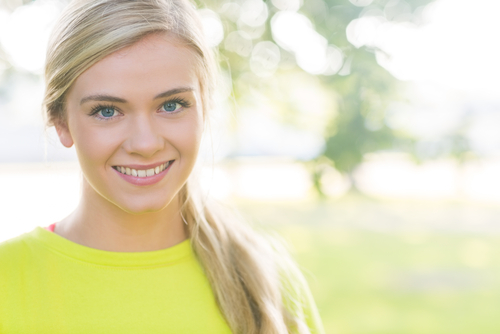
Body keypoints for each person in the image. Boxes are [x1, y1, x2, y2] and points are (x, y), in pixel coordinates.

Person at [0, 0, 325, 333]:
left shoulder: (268, 283)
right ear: (61, 122)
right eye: (107, 111)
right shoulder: (7, 282)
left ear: (205, 107)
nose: (145, 144)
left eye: (171, 105)